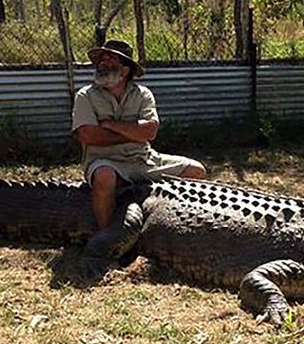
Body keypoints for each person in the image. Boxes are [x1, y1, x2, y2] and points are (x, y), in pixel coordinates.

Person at [72, 39, 206, 229]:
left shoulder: (143, 94)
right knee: (105, 176)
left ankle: (175, 229)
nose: (102, 63)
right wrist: (134, 133)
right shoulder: (85, 96)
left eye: (110, 59)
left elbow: (150, 131)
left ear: (125, 70)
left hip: (144, 160)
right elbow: (88, 136)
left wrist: (111, 125)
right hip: (105, 161)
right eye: (101, 59)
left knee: (196, 171)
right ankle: (108, 237)